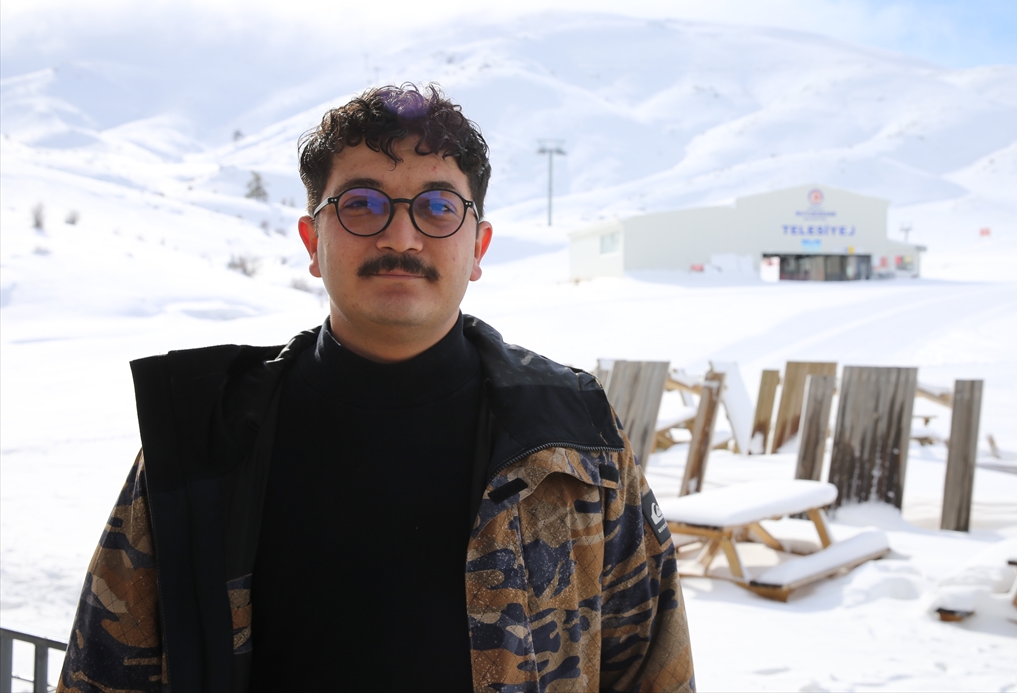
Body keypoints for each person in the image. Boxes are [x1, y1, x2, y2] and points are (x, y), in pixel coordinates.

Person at [58, 84, 694, 693]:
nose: (401, 236)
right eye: (362, 203)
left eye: (438, 207)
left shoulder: (572, 440)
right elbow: (104, 672)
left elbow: (651, 666)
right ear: (313, 241)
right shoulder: (209, 438)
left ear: (478, 246)